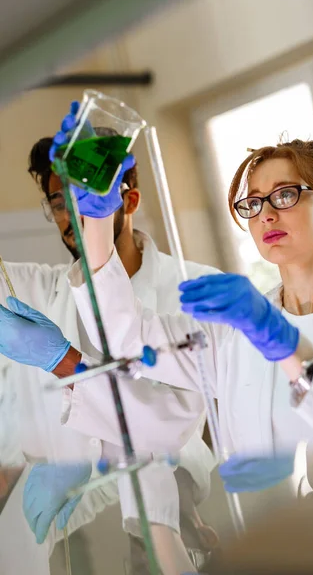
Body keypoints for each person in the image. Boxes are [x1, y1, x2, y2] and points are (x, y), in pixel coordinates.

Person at [66, 134, 313, 496]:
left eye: (285, 194)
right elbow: (126, 337)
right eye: (253, 203)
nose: (266, 214)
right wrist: (98, 221)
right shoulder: (230, 333)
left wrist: (280, 338)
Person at [0, 117, 220, 574]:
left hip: (165, 518)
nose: (69, 216)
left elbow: (176, 426)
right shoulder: (38, 290)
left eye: (82, 198)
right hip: (59, 535)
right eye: (58, 203)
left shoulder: (198, 289)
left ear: (128, 197)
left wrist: (94, 470)